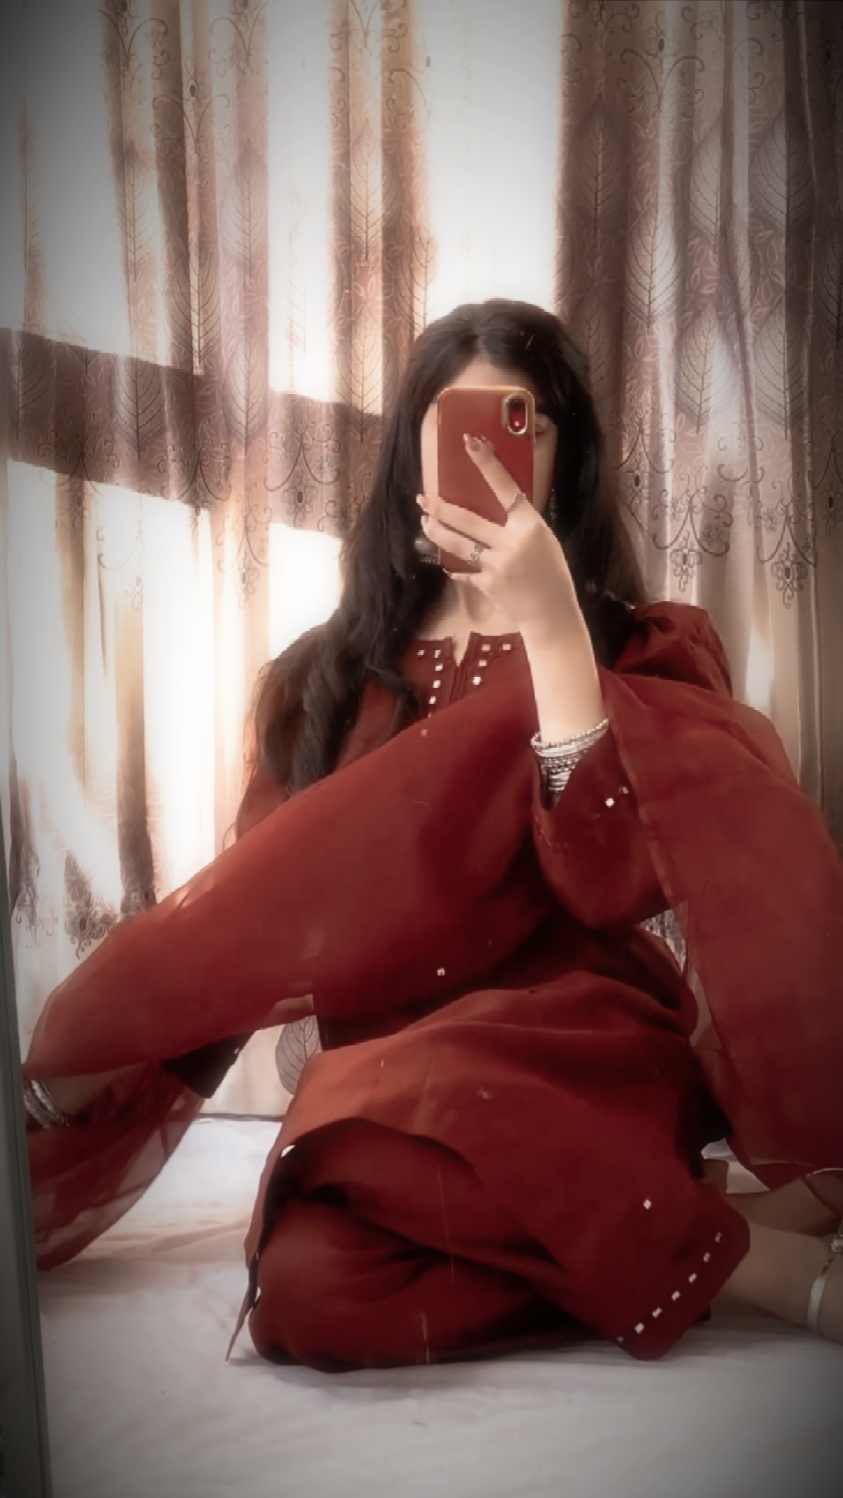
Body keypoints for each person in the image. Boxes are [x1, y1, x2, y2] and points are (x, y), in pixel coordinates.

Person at [22, 300, 843, 1371]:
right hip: (383, 1091)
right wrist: (98, 1070)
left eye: (522, 421)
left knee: (404, 1087)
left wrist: (553, 630)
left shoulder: (638, 649)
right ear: (411, 449)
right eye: (455, 422)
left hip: (568, 1049)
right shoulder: (319, 682)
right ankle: (685, 1219)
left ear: (566, 457)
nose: (491, 453)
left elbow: (605, 882)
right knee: (304, 1295)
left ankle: (762, 1270)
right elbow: (263, 919)